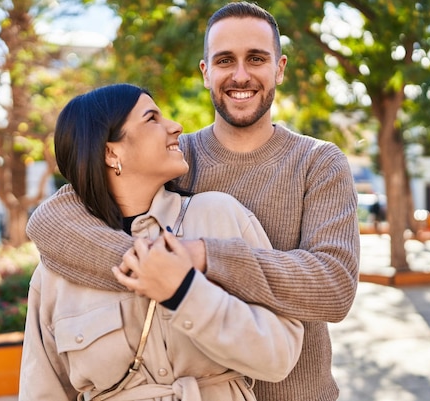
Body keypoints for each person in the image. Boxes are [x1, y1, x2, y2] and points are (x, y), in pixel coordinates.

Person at [26, 1, 360, 401]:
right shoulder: (173, 158)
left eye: (256, 59)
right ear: (206, 72)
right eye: (224, 60)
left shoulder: (318, 162)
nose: (240, 75)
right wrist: (148, 263)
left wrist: (201, 256)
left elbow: (335, 287)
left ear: (280, 68)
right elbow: (53, 219)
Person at [19, 83, 304, 401]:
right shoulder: (55, 273)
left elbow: (280, 357)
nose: (176, 126)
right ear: (112, 151)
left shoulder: (218, 217)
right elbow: (42, 391)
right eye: (152, 118)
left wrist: (185, 292)